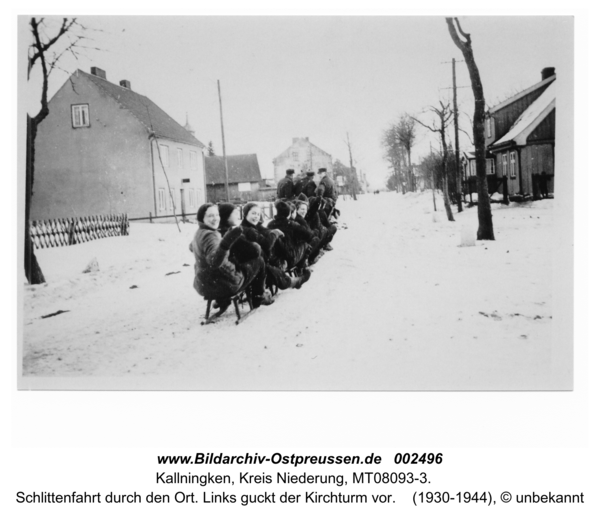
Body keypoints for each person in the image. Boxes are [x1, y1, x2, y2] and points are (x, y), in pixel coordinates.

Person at [189, 203, 271, 310]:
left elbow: (192, 247)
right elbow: (214, 261)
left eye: (217, 215)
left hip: (203, 284)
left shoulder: (200, 232)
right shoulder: (211, 235)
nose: (215, 219)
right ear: (202, 218)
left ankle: (222, 301)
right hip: (226, 284)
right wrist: (226, 243)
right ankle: (259, 296)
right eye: (210, 216)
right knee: (259, 261)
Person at [241, 202, 310, 290]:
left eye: (258, 214)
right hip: (257, 262)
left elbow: (266, 230)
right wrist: (275, 233)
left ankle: (292, 276)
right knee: (271, 269)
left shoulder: (255, 226)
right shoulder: (249, 230)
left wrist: (272, 232)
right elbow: (266, 244)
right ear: (245, 214)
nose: (256, 216)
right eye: (253, 213)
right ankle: (293, 280)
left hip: (264, 258)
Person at [267, 200, 313, 272]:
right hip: (290, 258)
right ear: (288, 214)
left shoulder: (270, 224)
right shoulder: (291, 224)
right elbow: (309, 236)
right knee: (305, 244)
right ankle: (301, 268)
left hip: (277, 258)